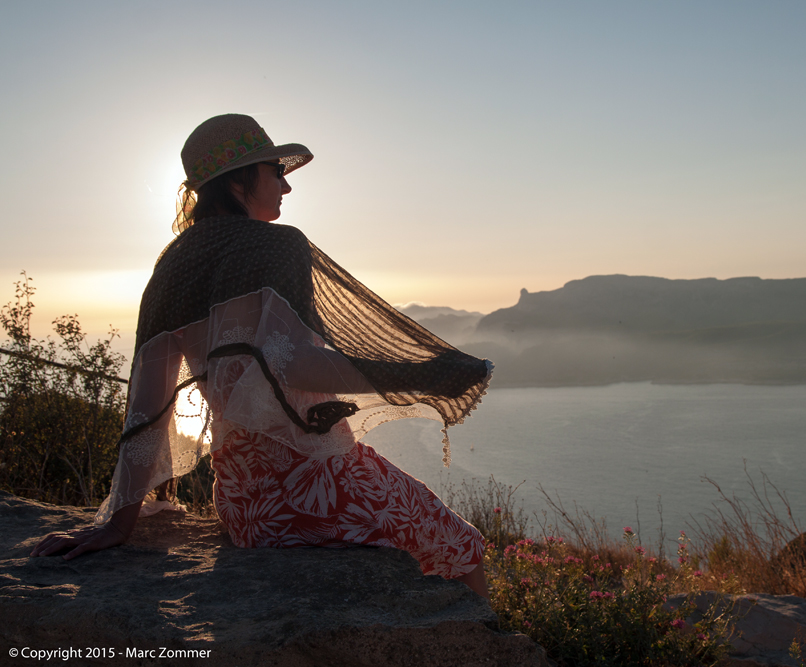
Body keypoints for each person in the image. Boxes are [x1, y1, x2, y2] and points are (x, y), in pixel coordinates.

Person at [30, 114, 493, 598]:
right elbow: (293, 365)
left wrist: (118, 523)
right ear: (237, 179)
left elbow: (147, 406)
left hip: (245, 505)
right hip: (319, 483)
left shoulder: (172, 266)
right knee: (463, 547)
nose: (286, 188)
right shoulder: (278, 246)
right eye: (276, 171)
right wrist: (421, 374)